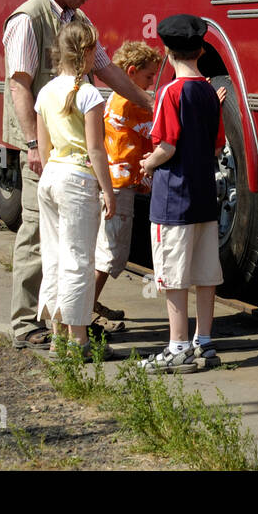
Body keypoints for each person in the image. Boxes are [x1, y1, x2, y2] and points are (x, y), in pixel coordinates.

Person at [3, 0, 151, 350]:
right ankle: (25, 323)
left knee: (65, 245)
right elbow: (19, 85)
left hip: (64, 156)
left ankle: (63, 326)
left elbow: (107, 68)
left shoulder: (78, 21)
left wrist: (148, 99)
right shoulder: (27, 19)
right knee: (39, 238)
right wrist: (34, 143)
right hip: (43, 149)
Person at [138, 15, 225, 374]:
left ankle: (177, 347)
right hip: (206, 198)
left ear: (167, 51)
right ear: (202, 50)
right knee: (205, 274)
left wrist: (147, 164)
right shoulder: (209, 92)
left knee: (174, 276)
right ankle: (204, 343)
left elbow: (167, 146)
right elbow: (218, 148)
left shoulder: (169, 93)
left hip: (174, 199)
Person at [34, 20, 117, 360]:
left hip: (51, 177)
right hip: (77, 180)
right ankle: (80, 340)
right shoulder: (90, 95)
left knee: (53, 257)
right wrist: (108, 191)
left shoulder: (45, 92)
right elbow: (97, 150)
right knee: (79, 260)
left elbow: (43, 148)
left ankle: (57, 337)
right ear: (86, 53)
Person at [92, 40, 162, 327]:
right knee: (110, 250)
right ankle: (86, 311)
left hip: (112, 181)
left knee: (103, 247)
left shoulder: (115, 97)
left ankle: (89, 303)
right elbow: (160, 123)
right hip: (118, 187)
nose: (151, 83)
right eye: (148, 77)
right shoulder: (132, 102)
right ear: (131, 72)